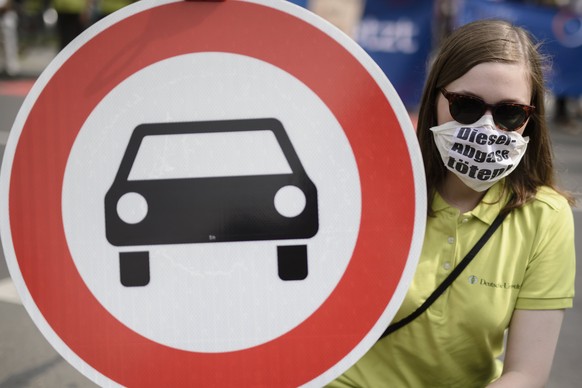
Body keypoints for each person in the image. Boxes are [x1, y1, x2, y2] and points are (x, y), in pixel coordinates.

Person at [328, 19, 576, 387]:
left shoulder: (546, 217)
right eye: (466, 106)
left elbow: (526, 372)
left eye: (510, 114)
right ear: (435, 100)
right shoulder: (370, 187)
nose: (486, 128)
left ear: (531, 118)